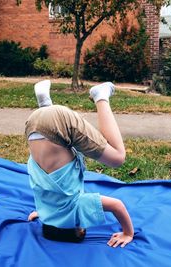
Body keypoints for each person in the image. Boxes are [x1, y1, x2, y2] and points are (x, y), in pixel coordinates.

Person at [25, 80, 134, 248]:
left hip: (59, 123)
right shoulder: (46, 210)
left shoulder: (74, 212)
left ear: (77, 227)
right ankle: (44, 103)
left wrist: (128, 233)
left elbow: (117, 206)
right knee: (58, 150)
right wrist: (43, 214)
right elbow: (50, 209)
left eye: (82, 228)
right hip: (32, 126)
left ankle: (101, 95)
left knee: (118, 158)